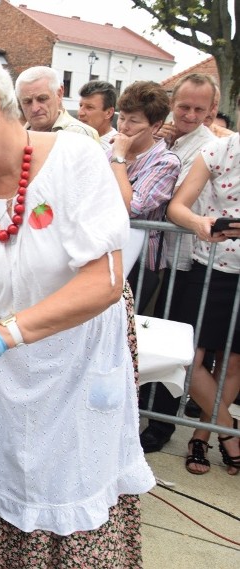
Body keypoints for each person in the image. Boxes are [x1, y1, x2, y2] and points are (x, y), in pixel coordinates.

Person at [0, 45, 153, 566]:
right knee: (1, 476)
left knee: (67, 488)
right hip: (8, 374)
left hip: (77, 366)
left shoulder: (76, 161)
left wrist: (2, 335)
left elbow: (103, 282)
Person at [141, 73, 218, 453]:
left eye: (198, 109)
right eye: (183, 106)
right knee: (153, 335)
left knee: (174, 343)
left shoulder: (208, 145)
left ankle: (161, 423)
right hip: (162, 257)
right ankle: (148, 408)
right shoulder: (170, 138)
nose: (188, 114)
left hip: (187, 260)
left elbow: (166, 195)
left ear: (211, 111)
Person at [166, 131, 240, 476]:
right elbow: (177, 207)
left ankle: (201, 437)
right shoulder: (218, 149)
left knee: (232, 362)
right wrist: (199, 222)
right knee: (190, 358)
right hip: (211, 268)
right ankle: (231, 434)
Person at [108, 81, 180, 306]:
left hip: (140, 265)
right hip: (105, 255)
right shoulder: (106, 151)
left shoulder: (166, 162)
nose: (124, 127)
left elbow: (132, 206)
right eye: (122, 118)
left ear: (155, 126)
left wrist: (118, 159)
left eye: (134, 121)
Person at [15, 66, 100, 141]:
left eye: (42, 99)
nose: (35, 108)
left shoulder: (79, 134)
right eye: (27, 102)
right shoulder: (15, 137)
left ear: (59, 94)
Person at [78, 80, 118, 150]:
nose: (80, 113)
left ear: (108, 113)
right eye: (80, 105)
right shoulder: (73, 135)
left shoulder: (116, 149)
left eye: (89, 107)